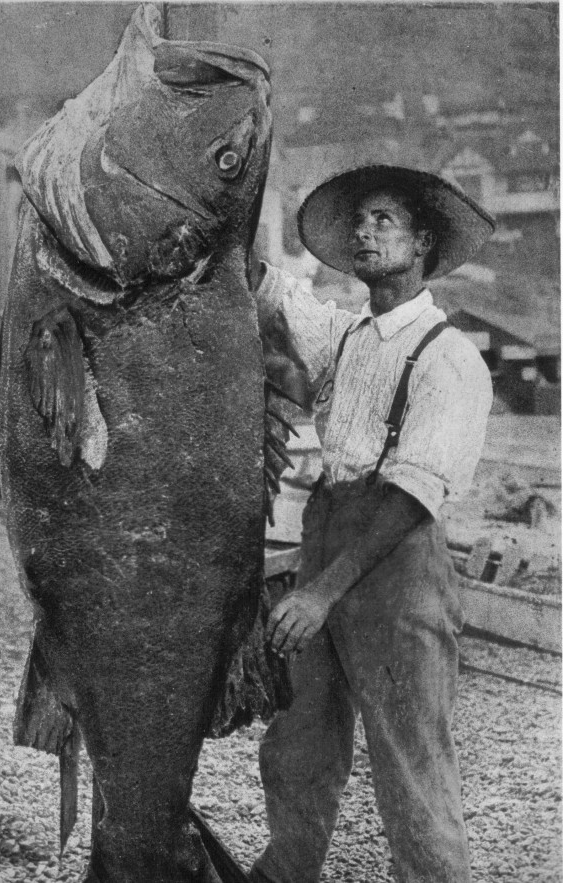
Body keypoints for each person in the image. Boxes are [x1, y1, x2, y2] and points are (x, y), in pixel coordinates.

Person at [250, 165, 495, 883]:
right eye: (358, 221)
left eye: (383, 220)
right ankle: (285, 871)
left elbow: (411, 498)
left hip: (397, 566)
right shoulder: (349, 339)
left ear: (423, 242)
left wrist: (320, 592)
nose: (363, 231)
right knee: (297, 746)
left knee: (411, 760)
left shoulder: (450, 359)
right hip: (329, 539)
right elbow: (277, 296)